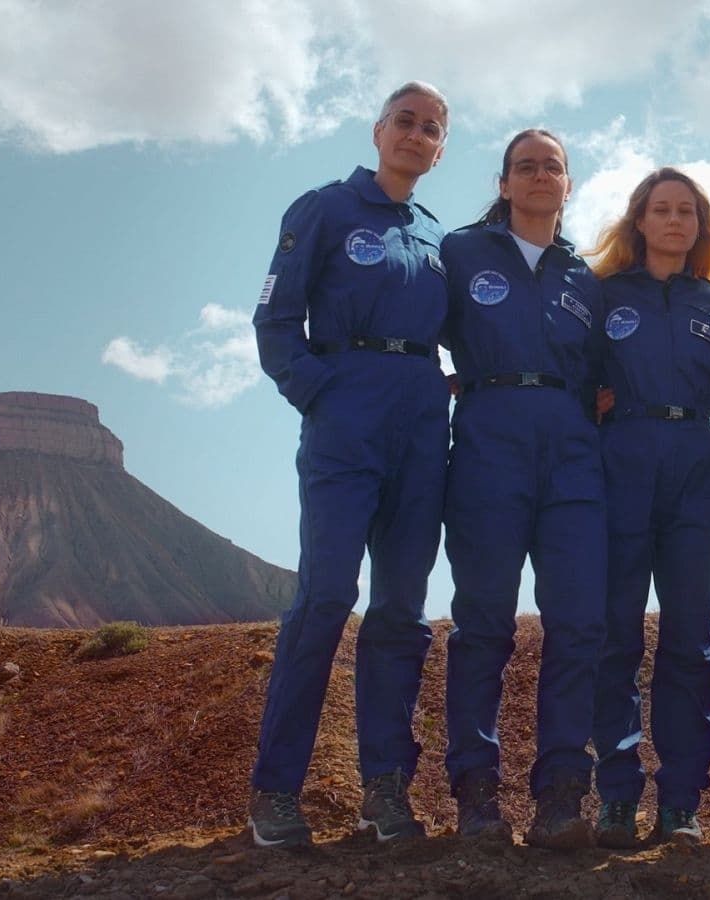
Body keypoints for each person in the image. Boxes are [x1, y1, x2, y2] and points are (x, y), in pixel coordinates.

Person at [247, 81, 451, 848]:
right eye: (406, 121)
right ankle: (274, 791)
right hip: (347, 414)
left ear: (441, 147)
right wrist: (318, 393)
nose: (416, 134)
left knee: (401, 609)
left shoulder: (437, 236)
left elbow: (473, 328)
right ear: (378, 131)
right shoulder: (325, 209)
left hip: (423, 423)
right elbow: (274, 317)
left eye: (431, 128)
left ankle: (386, 789)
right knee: (328, 594)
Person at [439, 128, 607, 850]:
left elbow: (610, 368)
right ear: (505, 183)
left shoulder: (589, 279)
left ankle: (562, 795)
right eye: (526, 166)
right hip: (487, 440)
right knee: (483, 625)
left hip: (571, 452)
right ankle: (477, 794)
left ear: (569, 186)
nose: (540, 176)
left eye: (553, 167)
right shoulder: (459, 254)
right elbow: (416, 331)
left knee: (577, 625)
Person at [583, 167, 710, 848]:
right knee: (615, 633)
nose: (674, 221)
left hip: (696, 461)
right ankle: (617, 796)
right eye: (661, 210)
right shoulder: (601, 295)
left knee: (689, 637)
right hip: (621, 459)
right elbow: (568, 366)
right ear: (638, 220)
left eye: (687, 212)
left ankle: (680, 801)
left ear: (701, 226)